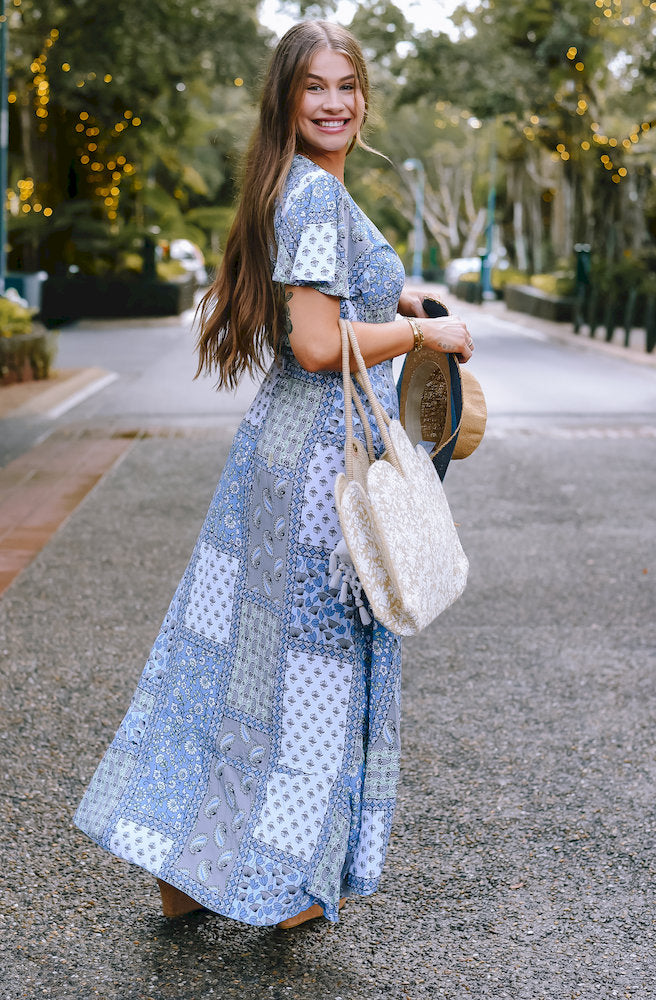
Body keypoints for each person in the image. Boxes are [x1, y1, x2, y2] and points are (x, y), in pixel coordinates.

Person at [74, 19, 473, 930]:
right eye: (314, 89)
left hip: (279, 457)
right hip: (321, 479)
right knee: (312, 677)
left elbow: (329, 293)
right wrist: (425, 332)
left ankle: (186, 868)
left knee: (231, 668)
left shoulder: (299, 185)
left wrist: (397, 292)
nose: (334, 103)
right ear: (288, 101)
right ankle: (286, 880)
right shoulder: (314, 199)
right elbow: (317, 341)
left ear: (363, 96)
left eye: (346, 86)